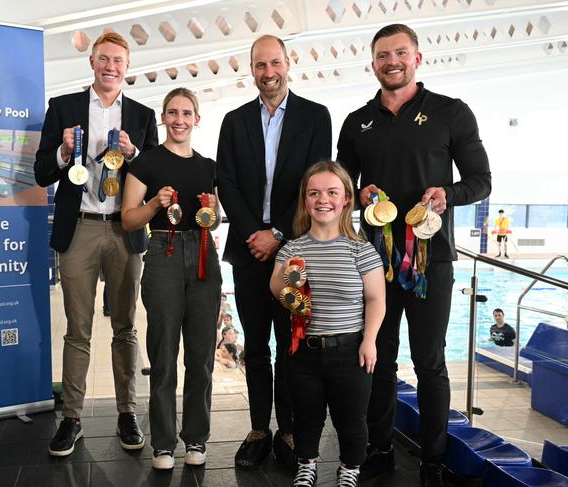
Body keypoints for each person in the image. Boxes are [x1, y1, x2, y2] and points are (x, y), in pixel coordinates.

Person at [336, 23, 491, 486]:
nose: (392, 62)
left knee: (430, 361)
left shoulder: (451, 112)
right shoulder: (357, 121)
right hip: (375, 259)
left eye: (400, 53)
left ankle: (432, 459)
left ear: (417, 58)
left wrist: (447, 192)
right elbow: (342, 185)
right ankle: (379, 449)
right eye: (383, 55)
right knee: (379, 358)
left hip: (431, 259)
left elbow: (481, 181)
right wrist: (357, 192)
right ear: (374, 64)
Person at [34, 32, 158, 457]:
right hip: (80, 229)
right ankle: (72, 418)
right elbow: (40, 173)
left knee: (125, 326)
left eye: (118, 60)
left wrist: (136, 154)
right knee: (78, 329)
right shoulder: (63, 109)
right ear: (91, 61)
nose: (111, 66)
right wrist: (64, 152)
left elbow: (155, 177)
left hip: (125, 230)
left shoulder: (142, 114)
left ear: (127, 66)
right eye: (104, 58)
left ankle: (127, 412)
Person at [217, 34, 332, 470]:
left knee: (291, 344)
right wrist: (256, 235)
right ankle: (258, 429)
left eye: (275, 63)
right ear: (252, 69)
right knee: (257, 346)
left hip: (296, 250)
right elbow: (225, 181)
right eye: (260, 65)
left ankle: (287, 430)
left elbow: (316, 181)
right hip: (249, 252)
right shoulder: (234, 121)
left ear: (289, 63)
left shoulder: (315, 117)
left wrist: (279, 234)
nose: (269, 73)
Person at [121, 87, 222, 470]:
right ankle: (163, 443)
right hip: (162, 250)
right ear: (163, 117)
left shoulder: (208, 166)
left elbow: (215, 217)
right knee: (163, 354)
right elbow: (129, 219)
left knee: (201, 356)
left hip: (202, 254)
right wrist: (153, 204)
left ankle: (195, 438)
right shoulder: (145, 163)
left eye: (186, 113)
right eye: (172, 112)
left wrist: (213, 208)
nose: (179, 119)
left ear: (197, 119)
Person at [271, 161, 386, 487]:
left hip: (350, 351)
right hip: (304, 351)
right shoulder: (293, 248)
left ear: (346, 198)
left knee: (351, 421)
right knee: (306, 418)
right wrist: (290, 281)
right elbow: (276, 288)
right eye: (315, 192)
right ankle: (307, 463)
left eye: (332, 192)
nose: (324, 199)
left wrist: (370, 340)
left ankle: (350, 467)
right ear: (305, 200)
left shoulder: (361, 250)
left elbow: (376, 299)